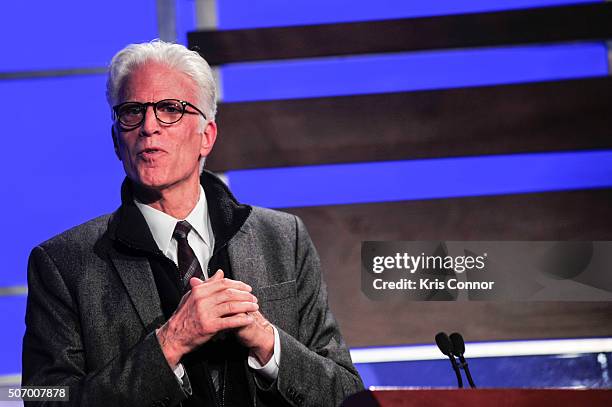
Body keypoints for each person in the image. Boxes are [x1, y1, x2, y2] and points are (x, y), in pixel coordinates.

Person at [22, 40, 364, 407]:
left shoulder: (282, 238)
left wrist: (268, 342)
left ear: (207, 137)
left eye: (170, 109)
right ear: (116, 141)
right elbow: (43, 399)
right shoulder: (62, 263)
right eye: (132, 111)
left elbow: (346, 395)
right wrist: (169, 344)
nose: (149, 126)